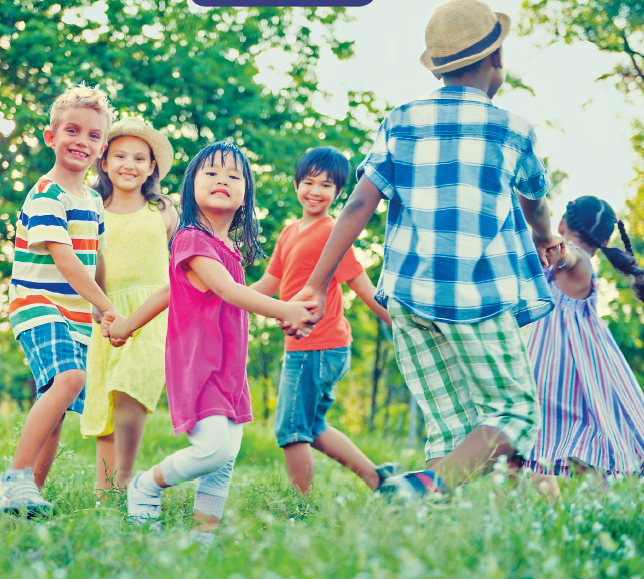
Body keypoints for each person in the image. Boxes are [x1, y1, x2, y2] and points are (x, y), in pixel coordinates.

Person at [285, 0, 563, 499]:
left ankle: (426, 525)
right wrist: (545, 237)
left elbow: (358, 205)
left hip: (410, 297)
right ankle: (420, 491)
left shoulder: (401, 120)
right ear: (496, 59)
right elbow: (534, 199)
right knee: (515, 411)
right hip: (478, 295)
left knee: (448, 424)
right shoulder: (512, 129)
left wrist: (315, 283)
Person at [102, 142, 315, 546]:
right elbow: (228, 291)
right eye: (212, 173)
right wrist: (285, 310)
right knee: (213, 451)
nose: (223, 180)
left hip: (229, 368)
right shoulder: (190, 238)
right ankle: (145, 487)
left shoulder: (227, 248)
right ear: (190, 187)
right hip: (198, 365)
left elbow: (172, 291)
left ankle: (204, 537)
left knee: (225, 459)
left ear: (245, 195)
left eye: (234, 176)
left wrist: (127, 324)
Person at [1, 84, 121, 516]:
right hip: (37, 303)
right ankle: (13, 478)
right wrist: (108, 308)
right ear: (51, 136)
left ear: (101, 148)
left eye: (93, 136)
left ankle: (27, 496)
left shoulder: (92, 200)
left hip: (75, 315)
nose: (82, 141)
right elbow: (66, 259)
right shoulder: (47, 194)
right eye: (72, 130)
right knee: (69, 379)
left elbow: (96, 257)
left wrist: (100, 308)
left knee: (57, 407)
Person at [250, 147, 395, 494]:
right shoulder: (290, 232)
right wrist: (223, 298)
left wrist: (399, 323)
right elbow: (267, 286)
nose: (315, 191)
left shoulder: (334, 233)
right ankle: (379, 479)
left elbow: (363, 287)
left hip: (319, 345)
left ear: (339, 193)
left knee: (291, 428)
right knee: (312, 427)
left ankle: (302, 504)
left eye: (326, 185)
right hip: (303, 346)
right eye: (309, 182)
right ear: (297, 184)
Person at [80, 117, 178, 494]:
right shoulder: (92, 209)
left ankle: (125, 477)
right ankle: (107, 490)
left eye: (140, 158)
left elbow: (176, 263)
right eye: (119, 155)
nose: (129, 164)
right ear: (103, 161)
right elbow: (88, 260)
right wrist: (97, 302)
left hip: (153, 311)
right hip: (104, 311)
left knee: (131, 386)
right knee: (107, 396)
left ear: (152, 167)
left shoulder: (163, 209)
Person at [525, 196, 644, 494]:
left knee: (542, 450)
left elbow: (568, 256)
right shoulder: (558, 255)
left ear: (562, 223)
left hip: (557, 368)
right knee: (555, 453)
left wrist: (552, 243)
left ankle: (588, 519)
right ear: (605, 238)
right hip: (576, 369)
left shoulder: (576, 260)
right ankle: (580, 520)